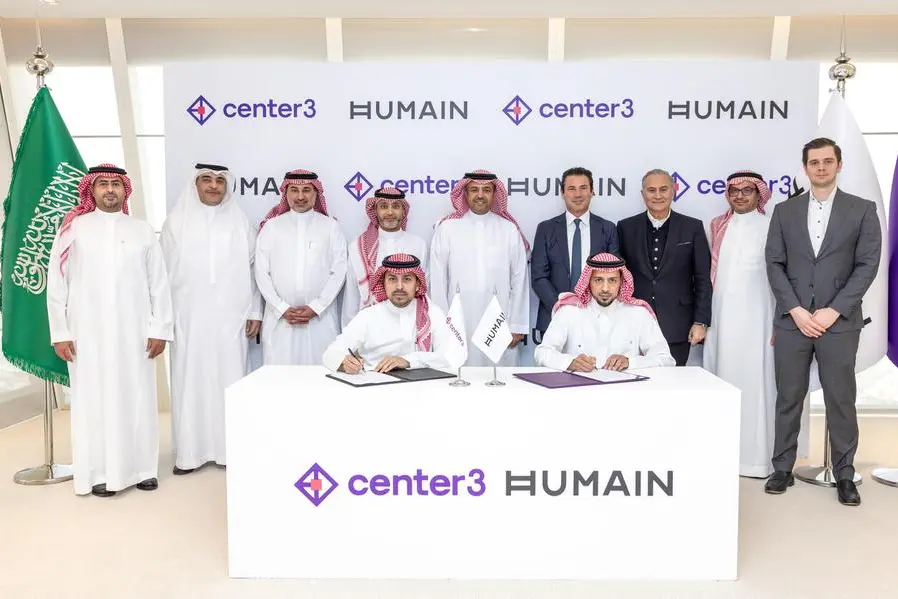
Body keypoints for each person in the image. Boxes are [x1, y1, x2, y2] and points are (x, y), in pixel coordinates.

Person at [764, 137, 882, 506]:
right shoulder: (784, 211)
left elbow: (867, 265)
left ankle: (845, 474)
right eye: (814, 162)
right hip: (793, 322)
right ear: (805, 167)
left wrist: (834, 310)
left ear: (838, 164)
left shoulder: (862, 210)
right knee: (788, 397)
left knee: (841, 399)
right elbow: (774, 263)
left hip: (840, 323)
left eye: (827, 161)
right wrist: (796, 310)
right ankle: (782, 467)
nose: (820, 167)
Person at [47, 164, 173, 497]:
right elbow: (56, 283)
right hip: (87, 332)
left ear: (125, 190)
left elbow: (159, 284)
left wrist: (160, 328)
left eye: (116, 184)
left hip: (135, 331)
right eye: (102, 184)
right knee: (94, 400)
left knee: (138, 397)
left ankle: (143, 469)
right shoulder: (73, 229)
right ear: (91, 190)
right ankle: (99, 472)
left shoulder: (141, 230)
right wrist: (60, 332)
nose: (110, 190)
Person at [160, 163, 262, 475]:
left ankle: (230, 451)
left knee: (231, 380)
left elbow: (255, 271)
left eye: (219, 181)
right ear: (196, 184)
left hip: (232, 319)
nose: (213, 186)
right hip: (187, 319)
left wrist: (255, 311)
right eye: (206, 179)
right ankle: (189, 454)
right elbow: (161, 277)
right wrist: (164, 319)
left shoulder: (240, 222)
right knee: (189, 381)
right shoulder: (175, 223)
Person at [703, 170, 776, 478]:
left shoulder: (771, 226)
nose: (740, 196)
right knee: (720, 381)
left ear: (759, 194)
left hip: (758, 320)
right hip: (720, 320)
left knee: (756, 385)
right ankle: (719, 458)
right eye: (734, 191)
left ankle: (757, 461)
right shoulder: (717, 225)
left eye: (747, 190)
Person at [429, 169, 530, 366]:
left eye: (487, 190)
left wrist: (516, 324)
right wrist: (441, 324)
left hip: (499, 317)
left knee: (499, 373)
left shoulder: (508, 229)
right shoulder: (447, 228)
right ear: (465, 194)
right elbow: (438, 279)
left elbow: (520, 278)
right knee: (459, 369)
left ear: (495, 194)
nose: (480, 195)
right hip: (459, 317)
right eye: (474, 190)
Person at [616, 168, 712, 366]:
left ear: (673, 191)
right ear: (643, 194)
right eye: (651, 190)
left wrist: (700, 322)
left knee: (673, 381)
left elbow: (702, 278)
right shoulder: (625, 227)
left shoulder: (692, 227)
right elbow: (619, 277)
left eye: (663, 189)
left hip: (678, 325)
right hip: (634, 325)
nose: (658, 195)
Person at [254, 169, 347, 365]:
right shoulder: (271, 227)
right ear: (286, 193)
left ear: (316, 194)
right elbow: (261, 272)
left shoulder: (331, 227)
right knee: (279, 377)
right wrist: (281, 307)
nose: (300, 197)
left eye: (306, 190)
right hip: (280, 320)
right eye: (294, 190)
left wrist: (317, 307)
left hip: (320, 320)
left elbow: (338, 271)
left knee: (320, 375)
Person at [534, 253, 674, 371]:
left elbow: (665, 358)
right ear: (588, 281)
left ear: (621, 282)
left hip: (625, 391)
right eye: (598, 280)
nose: (605, 288)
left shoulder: (639, 314)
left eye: (612, 280)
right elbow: (542, 352)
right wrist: (569, 362)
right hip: (579, 390)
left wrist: (630, 362)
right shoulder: (569, 311)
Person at [531, 166, 619, 342]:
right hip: (554, 317)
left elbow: (614, 275)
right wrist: (562, 306)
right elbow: (539, 277)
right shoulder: (546, 229)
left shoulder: (608, 228)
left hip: (598, 319)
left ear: (592, 191)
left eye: (583, 188)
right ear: (562, 193)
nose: (578, 194)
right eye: (571, 188)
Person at [323, 253, 452, 373]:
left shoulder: (432, 313)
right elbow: (330, 354)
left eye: (407, 279)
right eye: (392, 279)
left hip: (422, 386)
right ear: (383, 283)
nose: (399, 286)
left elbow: (449, 356)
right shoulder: (368, 316)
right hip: (375, 384)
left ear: (417, 284)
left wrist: (408, 361)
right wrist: (344, 363)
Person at [342, 187, 427, 328]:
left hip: (409, 325)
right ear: (375, 211)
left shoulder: (418, 244)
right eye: (383, 206)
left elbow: (424, 291)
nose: (390, 212)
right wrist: (349, 334)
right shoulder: (357, 246)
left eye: (396, 206)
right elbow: (351, 297)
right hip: (370, 326)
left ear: (404, 211)